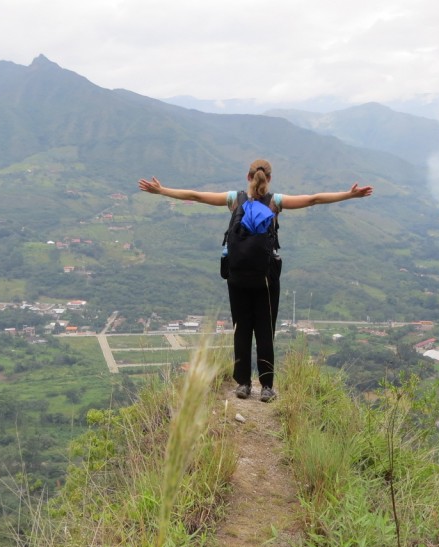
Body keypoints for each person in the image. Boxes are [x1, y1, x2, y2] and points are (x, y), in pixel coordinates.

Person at [138, 159, 373, 402]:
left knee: (241, 330)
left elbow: (195, 196)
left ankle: (242, 384)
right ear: (268, 179)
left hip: (237, 278)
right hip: (266, 279)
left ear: (248, 176)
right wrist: (349, 195)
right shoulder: (275, 202)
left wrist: (162, 190)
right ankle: (267, 387)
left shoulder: (234, 199)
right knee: (264, 331)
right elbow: (314, 199)